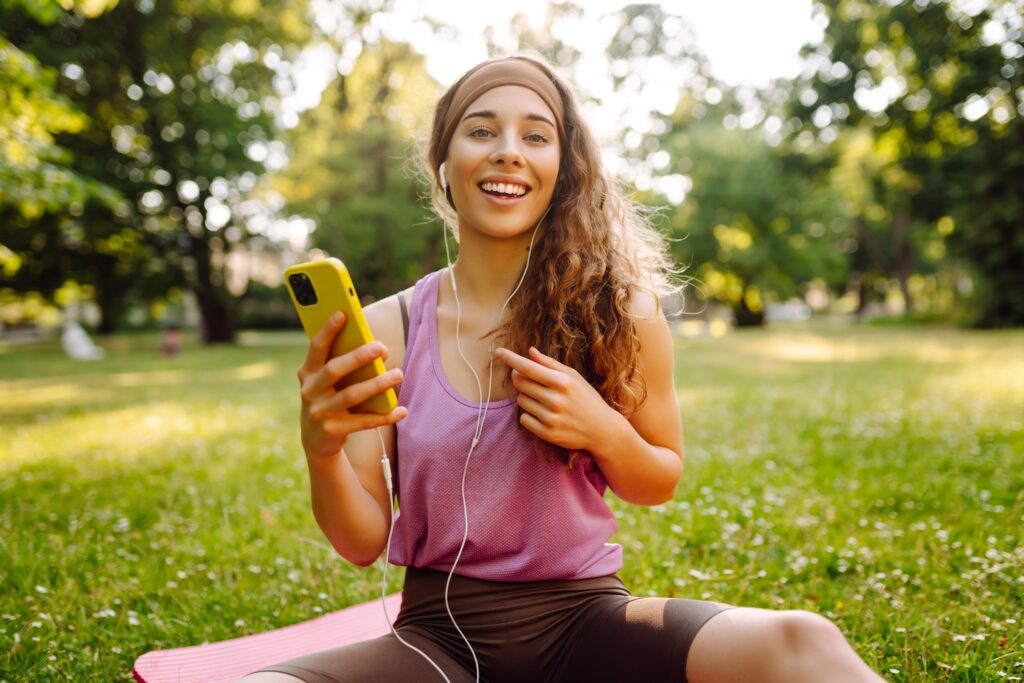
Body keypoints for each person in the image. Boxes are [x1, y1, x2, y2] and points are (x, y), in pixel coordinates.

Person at [240, 54, 886, 683]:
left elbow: (659, 476)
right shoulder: (387, 328)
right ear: (444, 162)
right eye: (481, 130)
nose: (508, 150)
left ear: (563, 167)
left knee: (802, 640)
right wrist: (320, 449)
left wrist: (601, 429)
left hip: (588, 625)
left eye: (536, 135)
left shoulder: (622, 310)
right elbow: (361, 542)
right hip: (436, 643)